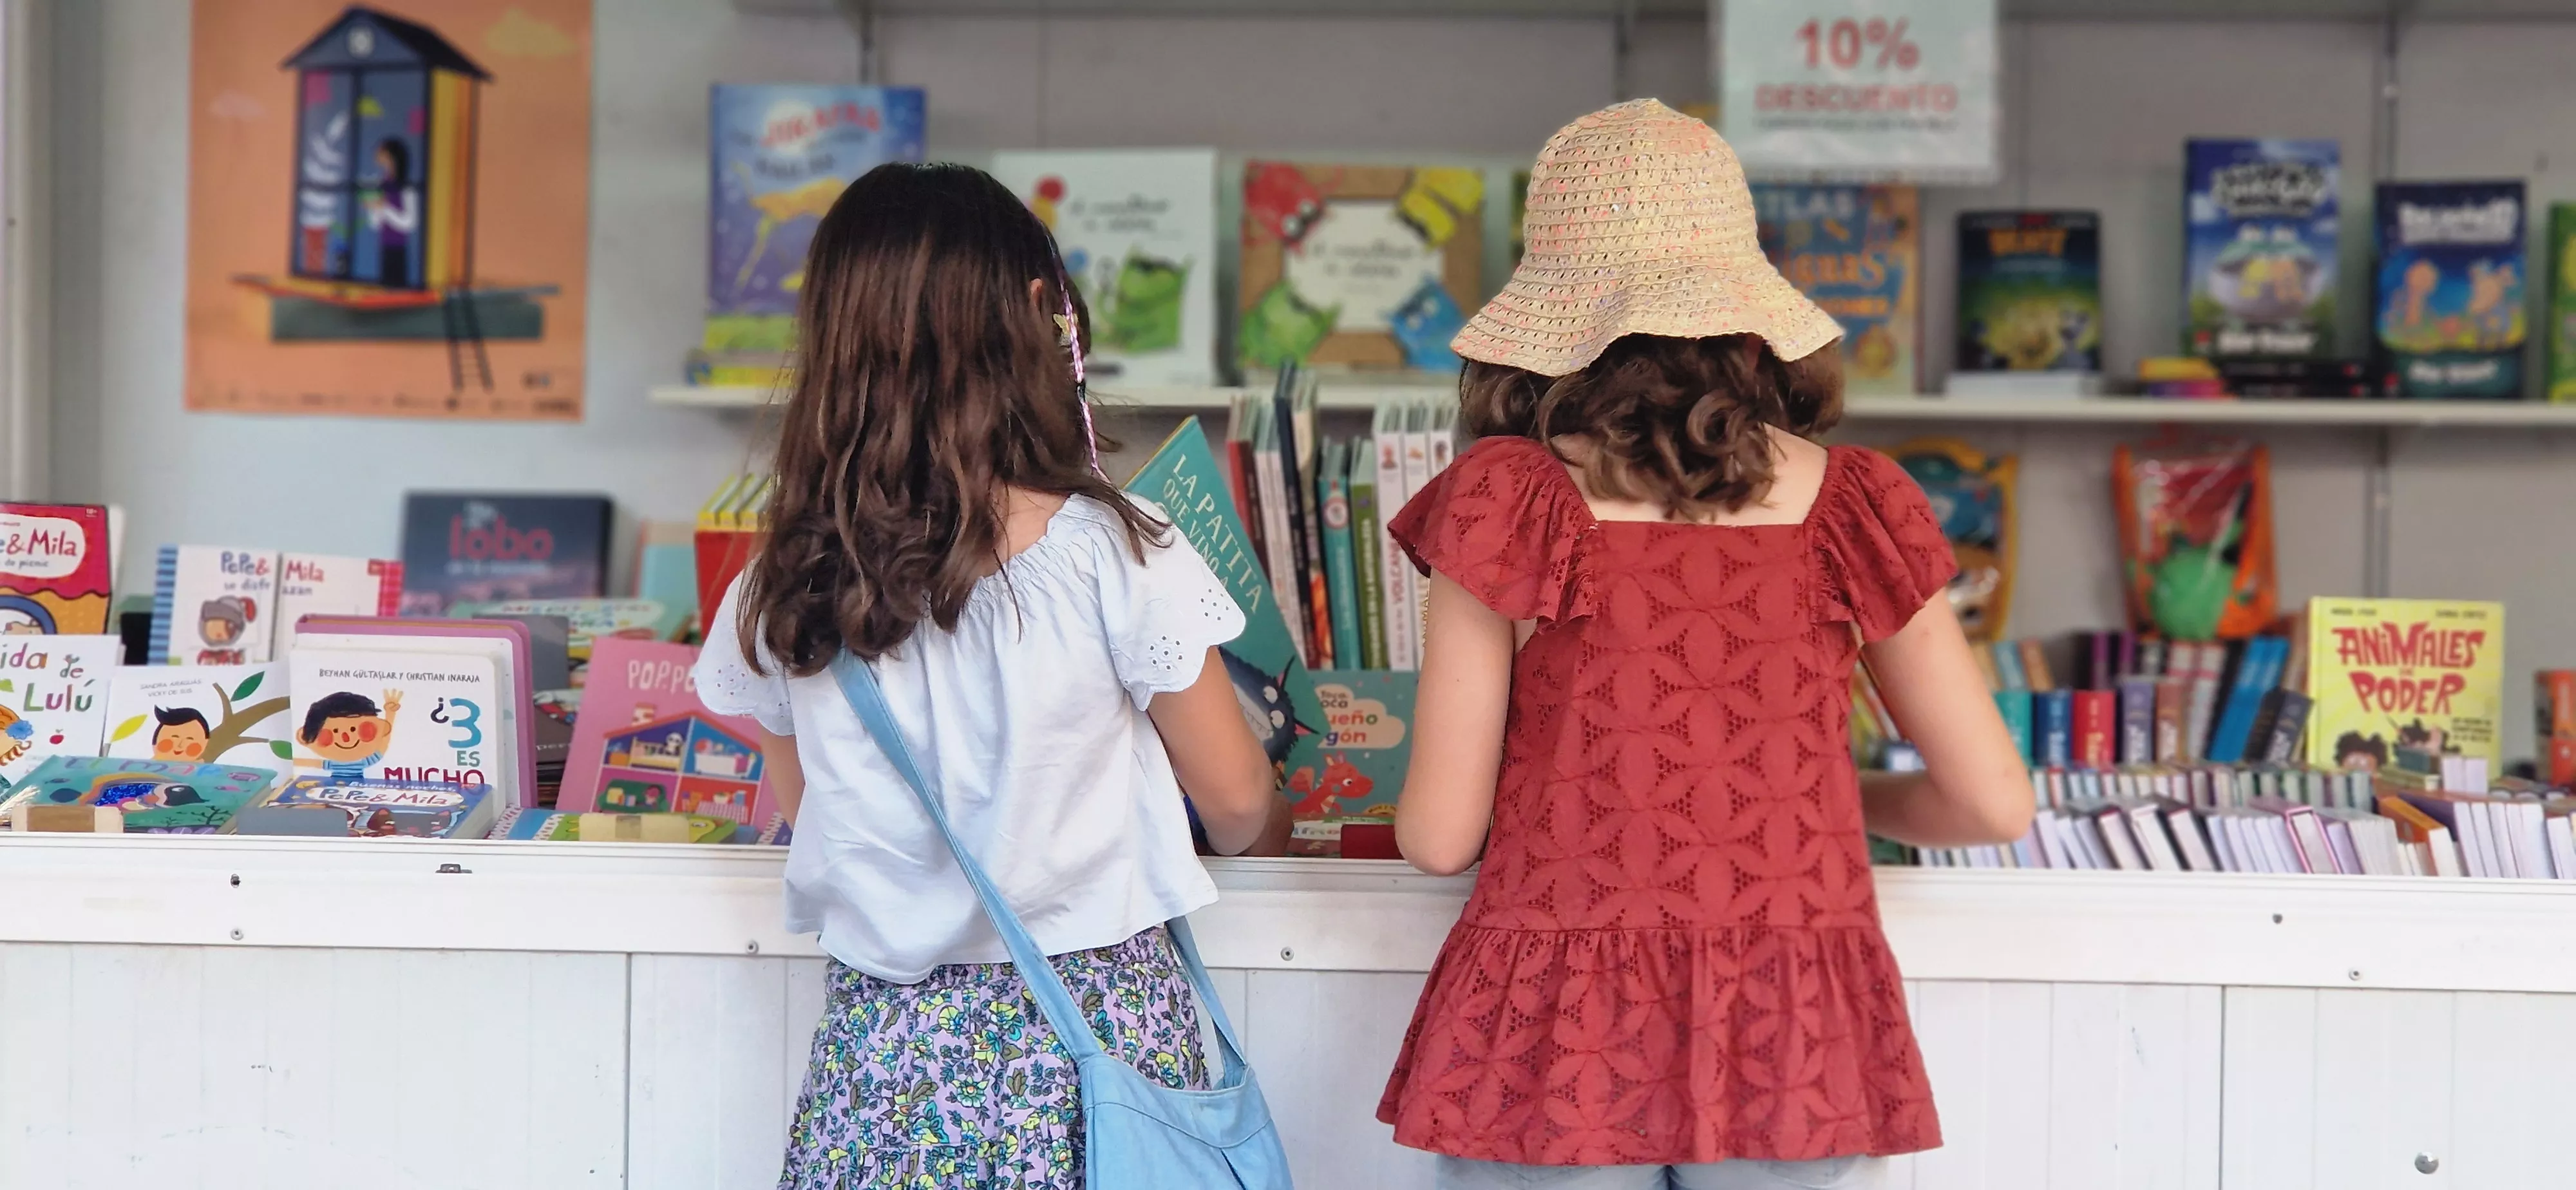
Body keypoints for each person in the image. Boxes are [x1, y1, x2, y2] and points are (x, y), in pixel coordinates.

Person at [1376, 100, 2037, 1190]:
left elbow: (1441, 837)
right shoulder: (1856, 502)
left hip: (1561, 1035)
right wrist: (1833, 799)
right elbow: (1992, 804)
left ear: (1548, 315)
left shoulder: (1510, 500)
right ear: (1746, 306)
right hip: (1794, 1033)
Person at [688, 161, 1290, 1190]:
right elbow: (1235, 802)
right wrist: (1264, 840)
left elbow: (814, 810)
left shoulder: (782, 578)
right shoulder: (1113, 550)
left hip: (880, 1074)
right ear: (1030, 319)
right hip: (1098, 1056)